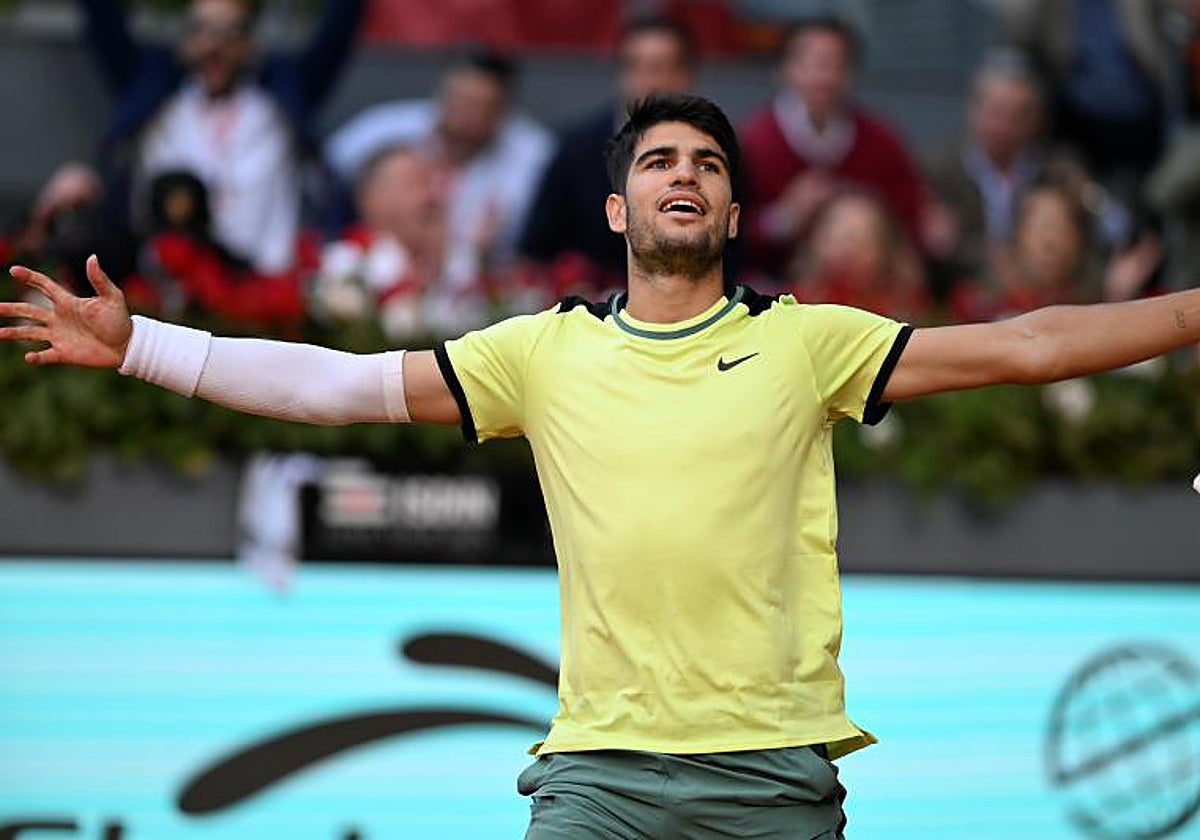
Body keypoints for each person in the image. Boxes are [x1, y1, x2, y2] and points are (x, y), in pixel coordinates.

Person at [7, 93, 1200, 837]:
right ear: (621, 210)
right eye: (660, 162)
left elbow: (1031, 343)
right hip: (596, 785)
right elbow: (341, 388)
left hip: (772, 783)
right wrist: (143, 346)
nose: (685, 174)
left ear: (730, 215)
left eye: (709, 166)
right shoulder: (543, 353)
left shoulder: (806, 341)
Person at [63, 0, 364, 276]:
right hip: (162, 289)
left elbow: (339, 28)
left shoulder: (284, 99)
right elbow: (102, 17)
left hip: (263, 292)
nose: (214, 45)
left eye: (230, 32)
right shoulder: (152, 95)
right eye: (202, 30)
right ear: (185, 39)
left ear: (251, 44)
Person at [739, 14, 931, 279]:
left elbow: (914, 221)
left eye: (836, 64)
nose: (824, 76)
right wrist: (784, 218)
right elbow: (726, 233)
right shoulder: (752, 141)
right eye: (813, 62)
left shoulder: (881, 140)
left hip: (868, 290)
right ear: (784, 68)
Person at [326, 49, 553, 272]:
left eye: (481, 106)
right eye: (460, 99)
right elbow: (323, 180)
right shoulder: (380, 130)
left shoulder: (535, 158)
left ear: (504, 110)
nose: (466, 116)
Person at [518, 16, 698, 293]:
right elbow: (536, 249)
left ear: (686, 75)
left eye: (662, 68)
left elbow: (734, 255)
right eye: (637, 67)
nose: (651, 81)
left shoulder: (713, 154)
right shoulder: (577, 149)